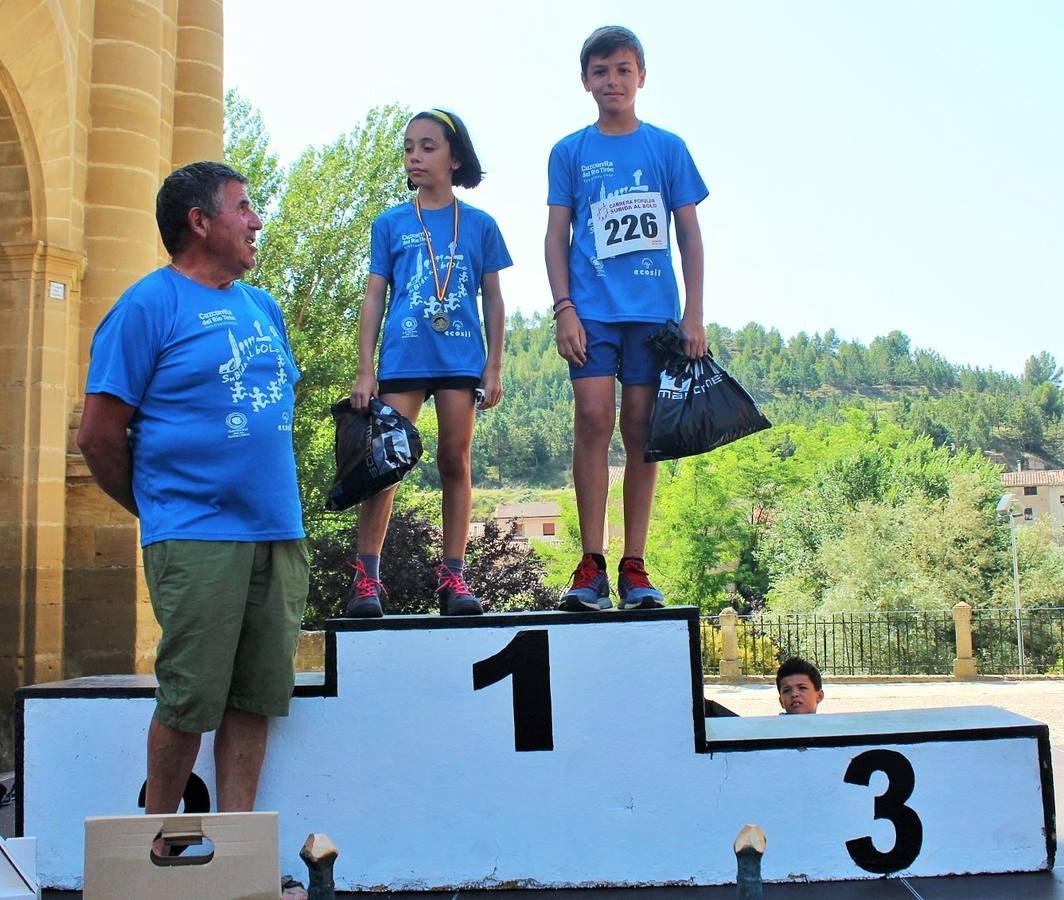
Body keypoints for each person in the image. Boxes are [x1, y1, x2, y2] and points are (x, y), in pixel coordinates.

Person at [76, 162, 309, 824]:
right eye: (243, 207)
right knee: (189, 700)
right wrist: (162, 509)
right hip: (197, 534)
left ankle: (236, 860)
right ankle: (161, 853)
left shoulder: (260, 305)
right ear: (200, 223)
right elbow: (97, 436)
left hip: (277, 532)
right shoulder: (147, 306)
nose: (257, 220)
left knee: (254, 698)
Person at [545, 25, 709, 611]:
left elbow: (689, 235)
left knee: (640, 428)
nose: (612, 80)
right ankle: (590, 563)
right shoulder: (570, 152)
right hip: (591, 312)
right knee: (593, 418)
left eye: (622, 69)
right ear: (585, 81)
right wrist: (564, 307)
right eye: (600, 71)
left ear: (641, 76)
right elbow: (555, 234)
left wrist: (693, 313)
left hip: (654, 315)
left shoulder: (667, 148)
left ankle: (634, 564)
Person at [345, 109, 510, 618]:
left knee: (453, 461)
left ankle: (453, 577)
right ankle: (365, 579)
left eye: (428, 146)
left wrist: (495, 366)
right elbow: (374, 296)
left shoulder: (480, 224)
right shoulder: (391, 222)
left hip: (460, 357)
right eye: (409, 147)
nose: (415, 155)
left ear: (454, 157)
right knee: (385, 466)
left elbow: (494, 300)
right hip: (403, 355)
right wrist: (365, 368)